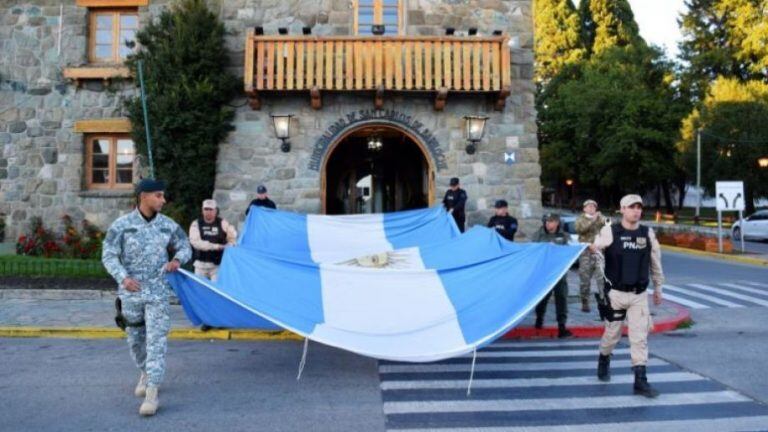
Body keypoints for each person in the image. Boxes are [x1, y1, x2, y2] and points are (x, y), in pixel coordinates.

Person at [101, 178, 192, 417]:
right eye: (159, 195)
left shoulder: (167, 225)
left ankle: (152, 393)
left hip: (158, 292)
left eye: (163, 195)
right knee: (135, 341)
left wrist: (177, 260)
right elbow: (108, 255)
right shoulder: (121, 225)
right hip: (131, 292)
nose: (163, 200)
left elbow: (185, 245)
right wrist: (123, 278)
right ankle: (145, 371)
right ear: (144, 196)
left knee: (156, 342)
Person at [589, 194, 664, 398]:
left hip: (639, 295)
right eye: (632, 207)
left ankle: (640, 381)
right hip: (616, 295)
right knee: (612, 334)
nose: (636, 211)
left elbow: (655, 262)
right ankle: (604, 358)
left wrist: (658, 288)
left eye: (639, 207)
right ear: (622, 209)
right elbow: (598, 244)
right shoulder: (610, 230)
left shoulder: (647, 233)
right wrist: (595, 247)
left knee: (639, 338)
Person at [532, 213, 573, 338]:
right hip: (544, 274)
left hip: (559, 274)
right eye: (546, 221)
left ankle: (562, 326)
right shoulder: (538, 235)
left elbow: (570, 253)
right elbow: (533, 252)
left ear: (557, 222)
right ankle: (539, 318)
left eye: (551, 221)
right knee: (542, 298)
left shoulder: (565, 236)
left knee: (561, 298)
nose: (548, 224)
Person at [188, 199, 237, 282]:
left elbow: (233, 237)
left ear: (215, 211)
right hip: (200, 265)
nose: (208, 212)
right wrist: (217, 246)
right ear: (202, 210)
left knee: (217, 290)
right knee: (199, 290)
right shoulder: (196, 224)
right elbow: (196, 243)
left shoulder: (223, 223)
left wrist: (230, 244)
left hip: (217, 266)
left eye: (211, 209)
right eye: (206, 209)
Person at [574, 199, 607, 312]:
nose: (591, 208)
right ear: (584, 208)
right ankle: (585, 302)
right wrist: (593, 219)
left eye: (593, 206)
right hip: (585, 254)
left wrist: (602, 219)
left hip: (599, 253)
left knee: (602, 279)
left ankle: (603, 300)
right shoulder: (580, 219)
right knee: (585, 280)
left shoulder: (600, 218)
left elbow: (608, 227)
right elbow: (581, 230)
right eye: (589, 206)